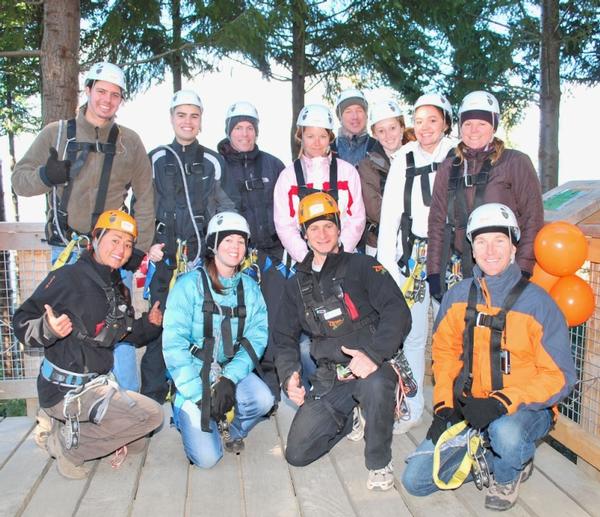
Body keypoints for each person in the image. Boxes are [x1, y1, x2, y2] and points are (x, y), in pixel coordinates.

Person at [402, 203, 576, 511]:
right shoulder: (458, 296)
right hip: (473, 408)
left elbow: (560, 377)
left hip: (523, 409)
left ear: (513, 246)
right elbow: (444, 354)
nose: (490, 250)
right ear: (472, 248)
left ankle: (508, 472)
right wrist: (445, 407)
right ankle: (485, 453)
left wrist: (502, 402)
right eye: (481, 241)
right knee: (415, 481)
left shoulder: (538, 303)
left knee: (505, 434)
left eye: (499, 240)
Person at [273, 192, 411, 491]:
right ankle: (350, 417)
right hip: (330, 378)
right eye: (314, 228)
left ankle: (379, 460)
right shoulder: (296, 284)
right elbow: (283, 337)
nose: (322, 234)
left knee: (374, 386)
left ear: (339, 229)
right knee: (297, 454)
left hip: (374, 367)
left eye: (328, 226)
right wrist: (289, 375)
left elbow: (397, 312)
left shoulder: (364, 267)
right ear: (305, 235)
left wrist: (374, 355)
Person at [12, 210, 164, 480]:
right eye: (115, 240)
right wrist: (49, 329)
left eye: (128, 245)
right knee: (152, 417)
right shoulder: (67, 278)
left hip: (98, 386)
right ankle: (65, 447)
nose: (122, 250)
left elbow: (121, 335)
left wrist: (150, 324)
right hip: (64, 391)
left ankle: (70, 428)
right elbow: (22, 321)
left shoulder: (117, 286)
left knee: (139, 440)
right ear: (96, 238)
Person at [12, 61, 154, 267]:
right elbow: (19, 182)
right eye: (101, 91)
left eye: (115, 94)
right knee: (64, 301)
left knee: (113, 301)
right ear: (88, 90)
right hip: (65, 248)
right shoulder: (56, 134)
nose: (107, 99)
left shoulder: (129, 142)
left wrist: (138, 248)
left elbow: (145, 197)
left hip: (111, 250)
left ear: (121, 99)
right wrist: (45, 176)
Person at [143, 89, 235, 403]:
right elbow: (141, 205)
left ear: (201, 122)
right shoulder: (156, 157)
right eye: (181, 115)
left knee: (205, 329)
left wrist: (222, 254)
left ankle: (204, 395)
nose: (187, 121)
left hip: (200, 262)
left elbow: (226, 208)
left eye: (193, 116)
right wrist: (147, 245)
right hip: (165, 262)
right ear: (171, 118)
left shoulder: (212, 161)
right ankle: (152, 404)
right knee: (160, 327)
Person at [162, 211, 274, 467]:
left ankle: (233, 429)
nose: (235, 248)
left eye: (241, 241)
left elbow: (257, 337)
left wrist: (229, 378)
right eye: (227, 241)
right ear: (213, 244)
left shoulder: (250, 288)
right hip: (192, 372)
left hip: (228, 367)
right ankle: (185, 416)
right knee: (207, 460)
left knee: (263, 400)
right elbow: (173, 345)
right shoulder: (188, 286)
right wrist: (200, 396)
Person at [377, 93, 456, 434]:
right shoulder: (404, 158)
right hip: (413, 256)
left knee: (451, 332)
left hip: (451, 256)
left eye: (433, 120)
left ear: (446, 123)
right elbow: (390, 214)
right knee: (411, 333)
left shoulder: (457, 153)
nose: (425, 127)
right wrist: (387, 265)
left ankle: (451, 405)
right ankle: (411, 404)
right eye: (419, 121)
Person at [427, 91, 544, 302]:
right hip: (459, 267)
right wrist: (434, 271)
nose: (473, 130)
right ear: (460, 126)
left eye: (481, 123)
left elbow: (532, 217)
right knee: (459, 331)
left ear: (493, 126)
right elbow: (436, 220)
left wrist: (523, 268)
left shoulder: (514, 162)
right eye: (468, 123)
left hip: (502, 266)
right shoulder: (449, 166)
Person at [217, 101, 287, 401]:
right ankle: (230, 382)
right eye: (238, 128)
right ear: (229, 130)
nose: (244, 134)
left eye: (249, 128)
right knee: (232, 320)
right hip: (233, 256)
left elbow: (287, 209)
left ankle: (269, 386)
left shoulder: (273, 165)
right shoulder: (215, 164)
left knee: (269, 320)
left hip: (269, 256)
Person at [273, 103, 366, 264]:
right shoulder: (288, 177)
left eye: (322, 136)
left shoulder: (347, 172)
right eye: (310, 136)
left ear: (330, 138)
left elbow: (356, 219)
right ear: (300, 136)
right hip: (301, 261)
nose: (316, 143)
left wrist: (339, 252)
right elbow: (284, 225)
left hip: (344, 257)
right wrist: (307, 258)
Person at [356, 99, 410, 256]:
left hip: (415, 241)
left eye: (392, 128)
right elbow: (375, 210)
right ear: (374, 134)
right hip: (379, 243)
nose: (388, 135)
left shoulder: (418, 159)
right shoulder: (367, 166)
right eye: (381, 131)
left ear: (402, 128)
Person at [330, 88, 379, 167]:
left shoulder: (379, 148)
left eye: (359, 110)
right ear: (340, 117)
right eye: (348, 111)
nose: (355, 117)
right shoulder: (327, 152)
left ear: (366, 115)